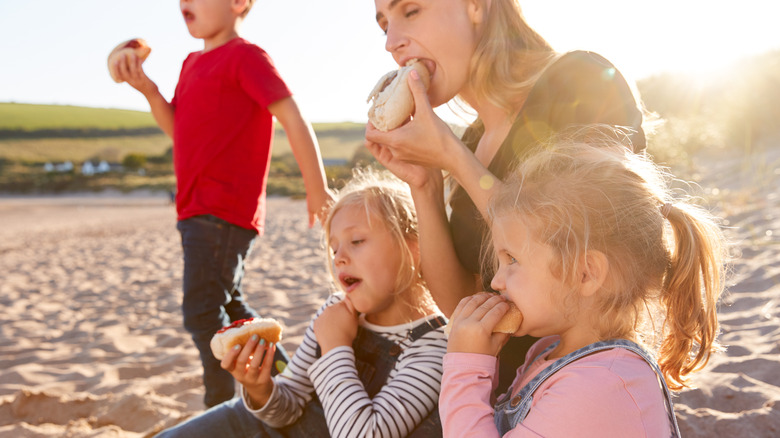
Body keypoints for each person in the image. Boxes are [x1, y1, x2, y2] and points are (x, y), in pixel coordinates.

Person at [365, 0, 647, 391]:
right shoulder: (473, 141)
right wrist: (425, 183)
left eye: (411, 11)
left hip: (580, 388)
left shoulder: (579, 80)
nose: (391, 43)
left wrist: (454, 158)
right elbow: (465, 302)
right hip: (502, 393)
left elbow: (577, 255)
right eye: (383, 26)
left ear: (476, 7)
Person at [112, 0, 332, 407]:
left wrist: (316, 188)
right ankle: (292, 382)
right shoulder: (190, 63)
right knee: (230, 308)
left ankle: (220, 406)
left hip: (223, 210)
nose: (185, 3)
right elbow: (179, 128)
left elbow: (293, 116)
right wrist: (148, 88)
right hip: (194, 209)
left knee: (201, 313)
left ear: (239, 3)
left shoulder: (246, 57)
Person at [438, 130, 728, 436]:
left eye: (512, 260)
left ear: (585, 274)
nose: (495, 281)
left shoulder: (600, 384)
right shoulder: (547, 352)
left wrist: (465, 370)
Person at [155, 169, 449, 438]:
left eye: (357, 241)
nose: (339, 257)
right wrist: (261, 389)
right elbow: (287, 407)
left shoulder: (432, 346)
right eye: (334, 248)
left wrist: (335, 346)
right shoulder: (334, 311)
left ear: (414, 248)